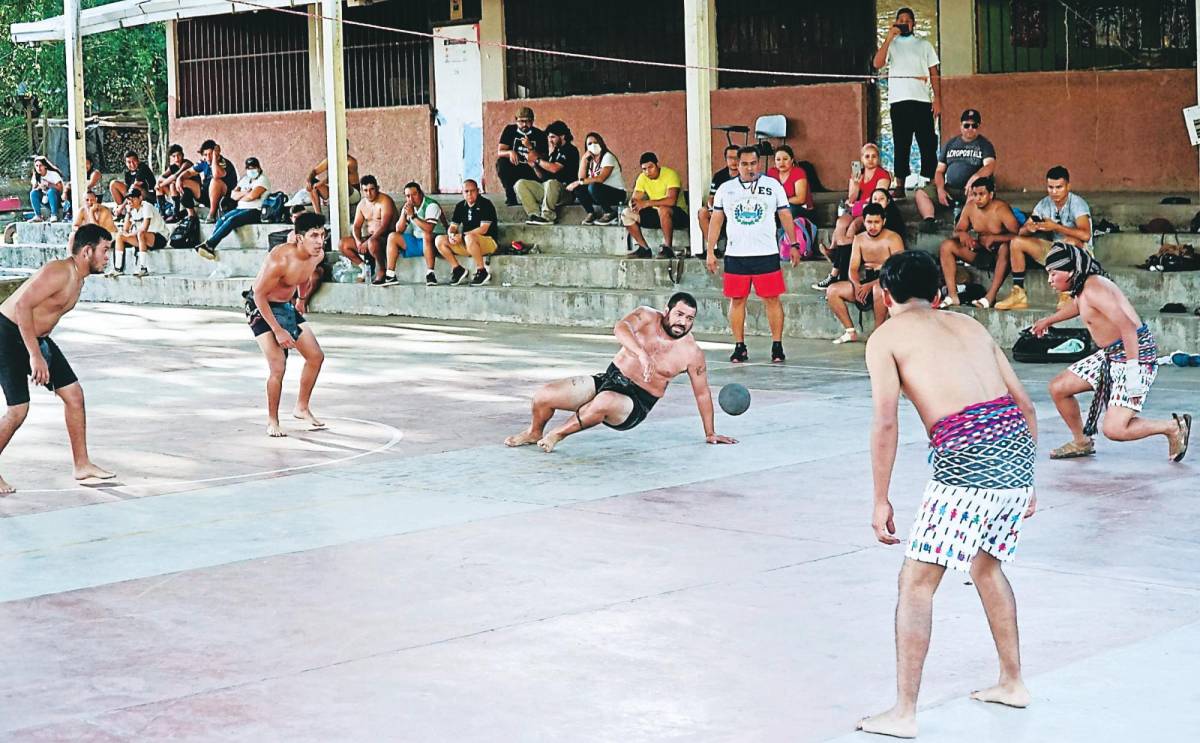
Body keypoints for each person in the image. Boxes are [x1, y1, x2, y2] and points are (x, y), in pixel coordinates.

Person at [859, 249, 1038, 739]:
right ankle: (1012, 681)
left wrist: (880, 499)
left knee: (916, 583)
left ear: (883, 292)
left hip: (968, 460)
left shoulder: (885, 338)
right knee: (985, 565)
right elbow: (1023, 404)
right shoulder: (971, 326)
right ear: (937, 293)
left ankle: (903, 713)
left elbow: (886, 421)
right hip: (1015, 452)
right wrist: (1027, 479)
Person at [503, 292, 737, 453]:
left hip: (636, 403)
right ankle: (534, 432)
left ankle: (557, 435)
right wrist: (641, 353)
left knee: (603, 401)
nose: (683, 322)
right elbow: (620, 327)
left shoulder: (691, 352)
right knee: (544, 395)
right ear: (666, 311)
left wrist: (710, 432)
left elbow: (702, 394)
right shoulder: (646, 316)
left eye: (689, 318)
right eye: (679, 314)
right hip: (611, 379)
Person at [1034, 243, 1190, 462]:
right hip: (1110, 353)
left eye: (1053, 274)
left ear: (1070, 272)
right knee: (1059, 388)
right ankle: (1082, 442)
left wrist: (1133, 370)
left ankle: (1173, 427)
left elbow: (1128, 327)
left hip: (1134, 353)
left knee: (1115, 429)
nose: (1049, 280)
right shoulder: (1083, 287)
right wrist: (1048, 320)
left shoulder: (1095, 287)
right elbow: (1079, 305)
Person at [0, 223, 116, 494]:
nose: (108, 257)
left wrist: (39, 348)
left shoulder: (77, 274)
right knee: (18, 411)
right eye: (105, 250)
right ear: (88, 251)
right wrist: (35, 355)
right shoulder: (59, 271)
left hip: (35, 338)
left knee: (74, 396)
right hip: (7, 334)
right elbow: (21, 306)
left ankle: (82, 465)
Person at [705, 145, 803, 364]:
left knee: (772, 299)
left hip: (766, 253)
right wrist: (710, 250)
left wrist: (794, 244)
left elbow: (785, 215)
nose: (749, 168)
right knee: (737, 300)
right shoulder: (725, 189)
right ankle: (739, 346)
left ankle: (777, 345)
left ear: (759, 164)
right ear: (736, 165)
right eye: (744, 164)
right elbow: (716, 220)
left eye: (753, 163)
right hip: (736, 254)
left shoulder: (772, 186)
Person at [245, 211, 327, 438]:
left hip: (286, 306)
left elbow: (305, 277)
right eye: (313, 236)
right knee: (278, 365)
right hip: (260, 307)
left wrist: (301, 300)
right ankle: (272, 420)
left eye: (322, 235)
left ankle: (301, 407)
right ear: (299, 238)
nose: (320, 241)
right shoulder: (279, 259)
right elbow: (259, 295)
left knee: (315, 356)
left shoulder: (316, 256)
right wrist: (278, 331)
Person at [996, 165, 1092, 311]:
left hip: (1080, 255)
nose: (1054, 192)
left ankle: (1067, 294)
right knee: (1016, 242)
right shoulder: (1044, 204)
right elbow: (1021, 232)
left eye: (1059, 187)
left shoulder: (1077, 203)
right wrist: (1029, 228)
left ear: (1068, 186)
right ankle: (1018, 294)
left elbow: (1086, 235)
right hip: (1056, 252)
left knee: (1068, 242)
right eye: (1050, 187)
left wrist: (1056, 227)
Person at [873, 6, 940, 200]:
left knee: (927, 142)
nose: (904, 22)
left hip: (921, 101)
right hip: (899, 102)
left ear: (914, 23)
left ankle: (931, 182)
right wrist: (888, 38)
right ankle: (900, 184)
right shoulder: (891, 45)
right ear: (895, 22)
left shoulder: (924, 44)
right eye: (900, 19)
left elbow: (934, 73)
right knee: (901, 143)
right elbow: (877, 64)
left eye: (907, 19)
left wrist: (938, 99)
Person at [815, 144, 892, 290]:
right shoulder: (858, 174)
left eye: (874, 156)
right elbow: (851, 198)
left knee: (852, 227)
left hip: (871, 210)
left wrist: (859, 205)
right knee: (841, 223)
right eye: (866, 156)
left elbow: (878, 198)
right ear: (861, 159)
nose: (870, 160)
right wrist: (856, 185)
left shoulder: (883, 175)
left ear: (878, 158)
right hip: (857, 208)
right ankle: (835, 254)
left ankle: (836, 273)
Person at [826, 202, 905, 345]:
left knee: (878, 289)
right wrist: (856, 285)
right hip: (866, 280)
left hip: (888, 282)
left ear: (883, 221)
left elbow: (897, 269)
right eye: (869, 222)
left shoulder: (893, 238)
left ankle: (878, 332)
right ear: (864, 221)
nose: (873, 226)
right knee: (832, 290)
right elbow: (853, 268)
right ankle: (850, 331)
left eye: (876, 222)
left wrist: (871, 285)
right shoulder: (859, 239)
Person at [937, 177, 1018, 309]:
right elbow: (956, 231)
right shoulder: (970, 207)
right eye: (974, 194)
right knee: (947, 246)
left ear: (991, 195)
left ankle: (989, 297)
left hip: (1000, 255)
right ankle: (952, 295)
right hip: (979, 252)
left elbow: (1017, 235)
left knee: (1005, 248)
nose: (977, 198)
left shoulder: (1001, 209)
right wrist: (963, 234)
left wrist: (994, 238)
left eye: (982, 194)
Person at [914, 109, 995, 231]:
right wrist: (940, 189)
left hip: (972, 189)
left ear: (979, 127)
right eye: (966, 125)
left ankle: (964, 223)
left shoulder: (985, 144)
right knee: (921, 193)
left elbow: (989, 166)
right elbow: (939, 171)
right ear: (961, 125)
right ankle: (929, 221)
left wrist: (974, 178)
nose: (970, 128)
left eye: (974, 126)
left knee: (978, 194)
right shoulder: (950, 144)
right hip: (950, 188)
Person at [196, 157, 270, 260]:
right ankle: (210, 244)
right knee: (222, 219)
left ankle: (209, 244)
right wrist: (245, 193)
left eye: (253, 167)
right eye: (249, 168)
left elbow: (252, 196)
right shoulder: (245, 179)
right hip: (240, 208)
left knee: (232, 220)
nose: (251, 170)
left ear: (258, 168)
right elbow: (233, 195)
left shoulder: (263, 179)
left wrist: (242, 195)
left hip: (255, 210)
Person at [621, 152, 689, 259]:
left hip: (678, 215)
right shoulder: (642, 177)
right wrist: (633, 204)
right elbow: (635, 198)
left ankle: (668, 248)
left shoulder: (670, 174)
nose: (648, 172)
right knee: (626, 214)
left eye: (650, 167)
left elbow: (672, 201)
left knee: (663, 209)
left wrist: (647, 203)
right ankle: (644, 249)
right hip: (657, 215)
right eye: (644, 169)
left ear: (657, 165)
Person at [433, 179, 498, 286]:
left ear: (478, 191)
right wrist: (451, 234)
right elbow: (453, 226)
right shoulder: (460, 206)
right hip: (468, 244)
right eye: (466, 191)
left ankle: (482, 271)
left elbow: (483, 229)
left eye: (472, 191)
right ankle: (457, 269)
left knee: (469, 238)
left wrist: (462, 236)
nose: (469, 194)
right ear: (462, 192)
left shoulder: (486, 204)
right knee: (439, 240)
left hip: (488, 242)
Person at [517, 120, 580, 225]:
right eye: (549, 137)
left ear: (563, 136)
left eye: (553, 137)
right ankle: (535, 215)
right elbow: (543, 177)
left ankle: (547, 217)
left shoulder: (570, 150)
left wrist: (537, 160)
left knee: (551, 183)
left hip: (566, 192)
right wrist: (534, 166)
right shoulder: (555, 152)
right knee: (521, 184)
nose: (550, 140)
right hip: (550, 191)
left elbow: (554, 168)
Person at [336, 175, 397, 285]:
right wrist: (359, 241)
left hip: (386, 238)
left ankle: (382, 271)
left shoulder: (385, 201)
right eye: (365, 190)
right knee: (343, 244)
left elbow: (384, 226)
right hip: (370, 238)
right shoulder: (362, 204)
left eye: (372, 189)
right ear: (362, 191)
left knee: (372, 243)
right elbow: (356, 226)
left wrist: (368, 242)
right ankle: (365, 267)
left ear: (377, 188)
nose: (369, 193)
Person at [386, 182, 447, 287]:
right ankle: (390, 275)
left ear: (421, 193)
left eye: (414, 194)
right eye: (408, 196)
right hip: (418, 241)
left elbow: (429, 229)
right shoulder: (409, 208)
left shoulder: (431, 205)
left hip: (435, 242)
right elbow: (399, 230)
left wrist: (413, 216)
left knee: (426, 235)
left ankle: (430, 274)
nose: (411, 199)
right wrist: (404, 214)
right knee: (392, 237)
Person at [768, 144, 818, 258]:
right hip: (781, 208)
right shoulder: (772, 173)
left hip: (802, 209)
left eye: (785, 159)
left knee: (787, 210)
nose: (781, 162)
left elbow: (800, 199)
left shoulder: (798, 172)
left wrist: (779, 203)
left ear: (792, 160)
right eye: (778, 159)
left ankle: (784, 245)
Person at [107, 188, 169, 278]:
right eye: (128, 199)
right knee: (120, 236)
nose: (130, 201)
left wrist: (130, 235)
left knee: (141, 234)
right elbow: (125, 229)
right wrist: (128, 213)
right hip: (143, 239)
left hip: (159, 238)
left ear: (140, 198)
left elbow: (144, 228)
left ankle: (143, 268)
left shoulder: (147, 206)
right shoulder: (132, 210)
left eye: (133, 198)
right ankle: (118, 269)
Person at [569, 132, 626, 225]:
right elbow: (581, 178)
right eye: (589, 144)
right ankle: (591, 213)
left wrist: (579, 182)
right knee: (578, 188)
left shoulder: (608, 157)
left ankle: (609, 212)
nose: (593, 145)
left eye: (596, 142)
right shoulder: (590, 161)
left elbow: (601, 179)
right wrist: (583, 160)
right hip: (599, 194)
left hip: (618, 194)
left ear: (601, 144)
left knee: (593, 186)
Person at [496, 106, 547, 206]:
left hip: (531, 169)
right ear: (516, 120)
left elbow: (543, 157)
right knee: (501, 163)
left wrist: (530, 147)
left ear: (532, 121)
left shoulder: (540, 135)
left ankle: (535, 196)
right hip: (515, 166)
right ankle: (510, 196)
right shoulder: (510, 130)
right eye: (521, 121)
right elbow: (500, 152)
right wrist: (510, 152)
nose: (524, 124)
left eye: (528, 121)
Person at [178, 140, 238, 223]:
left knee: (215, 181)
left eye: (210, 154)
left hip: (223, 198)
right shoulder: (204, 162)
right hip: (206, 194)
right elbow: (189, 172)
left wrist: (214, 158)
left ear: (216, 153)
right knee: (184, 182)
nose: (208, 157)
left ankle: (212, 215)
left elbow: (216, 174)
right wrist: (179, 178)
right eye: (205, 155)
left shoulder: (224, 163)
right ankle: (191, 215)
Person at [695, 145, 740, 256]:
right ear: (725, 159)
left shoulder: (746, 176)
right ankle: (712, 249)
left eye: (736, 157)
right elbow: (711, 197)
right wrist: (711, 208)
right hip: (720, 211)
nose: (733, 161)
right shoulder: (720, 176)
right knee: (703, 212)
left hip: (738, 211)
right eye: (730, 158)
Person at [305, 145, 360, 216]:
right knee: (311, 184)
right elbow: (314, 171)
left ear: (347, 149)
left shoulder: (351, 162)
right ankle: (318, 217)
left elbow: (339, 176)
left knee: (343, 183)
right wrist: (309, 180)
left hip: (352, 193)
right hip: (335, 191)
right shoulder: (330, 159)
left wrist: (321, 183)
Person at [154, 144, 197, 222]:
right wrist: (158, 184)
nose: (177, 158)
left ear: (183, 155)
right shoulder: (173, 166)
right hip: (179, 192)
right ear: (171, 157)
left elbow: (175, 176)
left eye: (179, 155)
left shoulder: (186, 164)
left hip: (191, 193)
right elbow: (161, 177)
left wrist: (161, 184)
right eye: (174, 156)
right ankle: (162, 214)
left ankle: (175, 214)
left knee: (172, 184)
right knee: (162, 187)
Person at [109, 150, 157, 217]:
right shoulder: (127, 173)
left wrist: (121, 206)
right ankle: (123, 212)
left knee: (135, 186)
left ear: (138, 160)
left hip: (149, 196)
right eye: (129, 162)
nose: (132, 164)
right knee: (113, 184)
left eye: (134, 161)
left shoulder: (143, 168)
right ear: (126, 163)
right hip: (135, 196)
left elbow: (134, 188)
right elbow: (128, 190)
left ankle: (121, 209)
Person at [29, 156, 64, 222]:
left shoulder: (53, 174)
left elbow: (60, 188)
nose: (38, 168)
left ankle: (54, 215)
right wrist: (39, 186)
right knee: (33, 193)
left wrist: (49, 184)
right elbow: (34, 188)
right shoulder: (36, 175)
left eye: (40, 165)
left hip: (56, 199)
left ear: (45, 166)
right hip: (44, 199)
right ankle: (38, 215)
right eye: (36, 166)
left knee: (51, 191)